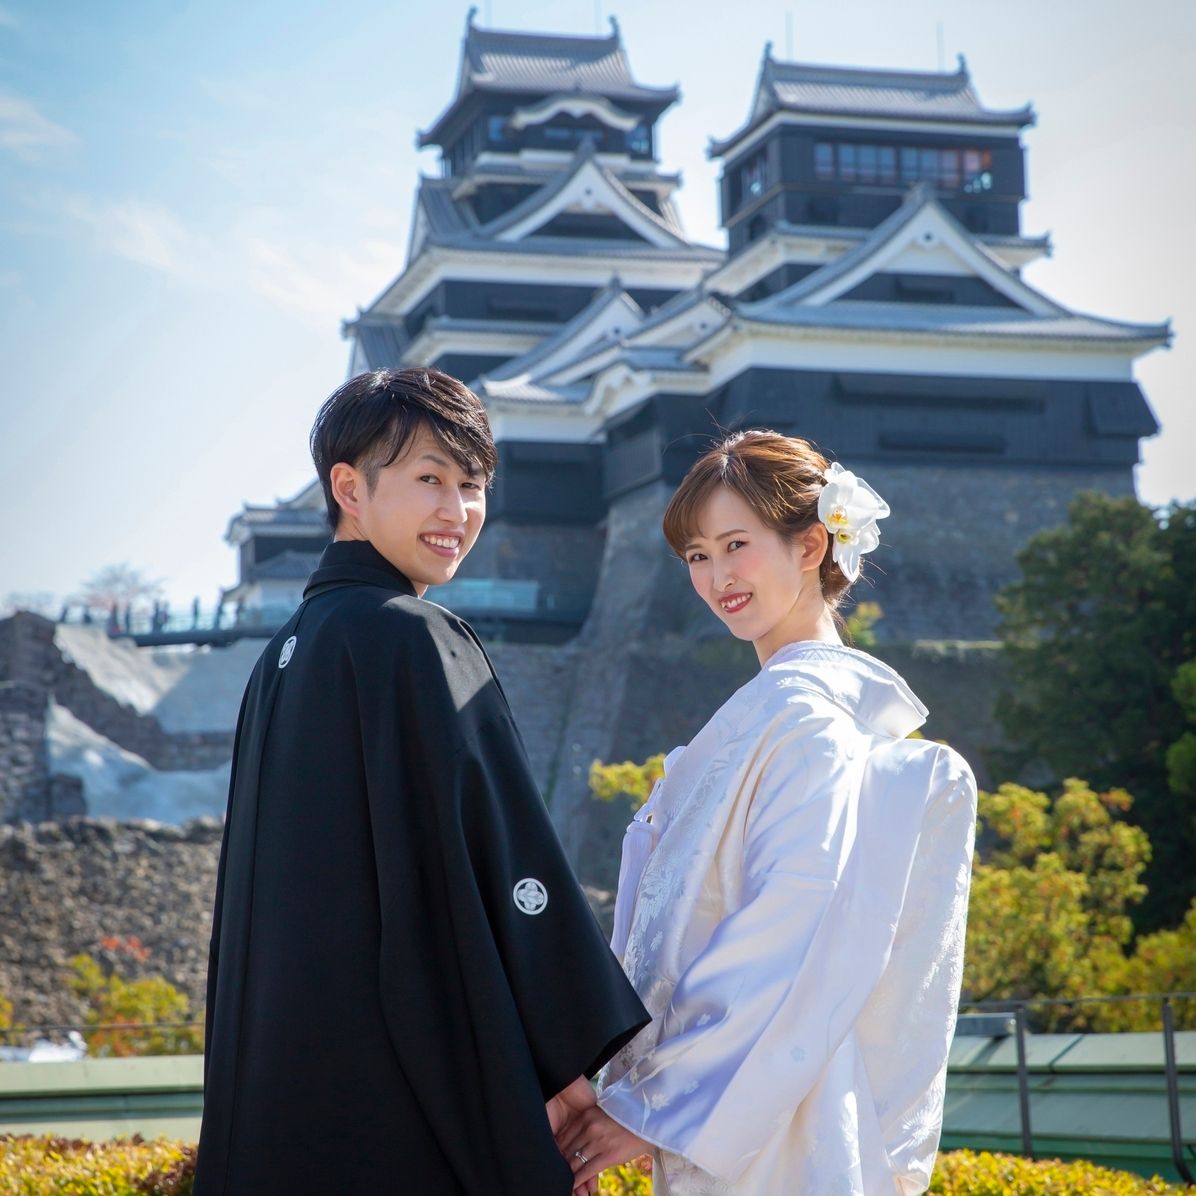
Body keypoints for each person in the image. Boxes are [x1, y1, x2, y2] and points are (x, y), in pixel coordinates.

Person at [195, 367, 647, 1196]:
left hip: (282, 1097)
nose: (457, 511)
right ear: (349, 489)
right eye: (430, 480)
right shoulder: (411, 636)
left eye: (472, 485)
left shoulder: (281, 659)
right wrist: (559, 1058)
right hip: (394, 1106)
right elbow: (496, 855)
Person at [557, 431, 977, 1195]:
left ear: (811, 544)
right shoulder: (785, 711)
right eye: (697, 555)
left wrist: (653, 1103)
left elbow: (792, 925)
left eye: (736, 545)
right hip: (763, 1099)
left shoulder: (805, 719)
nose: (717, 576)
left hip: (778, 1119)